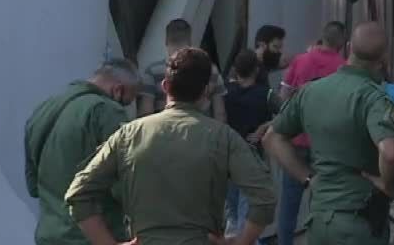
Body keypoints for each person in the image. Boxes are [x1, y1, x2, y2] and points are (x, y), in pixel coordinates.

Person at [66, 48, 275, 245]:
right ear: (206, 91)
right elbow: (264, 198)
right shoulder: (223, 137)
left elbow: (79, 195)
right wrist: (241, 242)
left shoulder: (129, 135)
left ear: (165, 86)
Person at [263, 22, 394, 244]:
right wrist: (386, 185)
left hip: (319, 219)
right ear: (383, 59)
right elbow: (391, 153)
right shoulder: (374, 99)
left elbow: (272, 138)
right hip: (361, 222)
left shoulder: (310, 91)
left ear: (349, 47)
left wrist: (307, 177)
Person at [26, 59, 140, 245]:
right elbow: (125, 183)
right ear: (117, 90)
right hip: (94, 236)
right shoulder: (108, 111)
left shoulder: (43, 109)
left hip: (48, 235)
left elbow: (32, 185)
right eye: (126, 102)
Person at [273, 19, 347, 245]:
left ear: (322, 37)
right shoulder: (344, 68)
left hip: (294, 142)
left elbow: (283, 99)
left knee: (289, 202)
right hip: (326, 145)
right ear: (342, 42)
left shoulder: (300, 61)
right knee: (324, 202)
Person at [222, 49, 275, 238]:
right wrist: (263, 128)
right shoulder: (266, 94)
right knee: (249, 214)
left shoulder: (226, 92)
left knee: (232, 215)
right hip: (253, 158)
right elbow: (286, 114)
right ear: (256, 70)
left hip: (227, 157)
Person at [138, 18, 227, 122]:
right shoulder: (211, 70)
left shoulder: (152, 71)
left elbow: (146, 111)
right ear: (189, 41)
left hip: (164, 132)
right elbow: (220, 113)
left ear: (166, 41)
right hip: (201, 131)